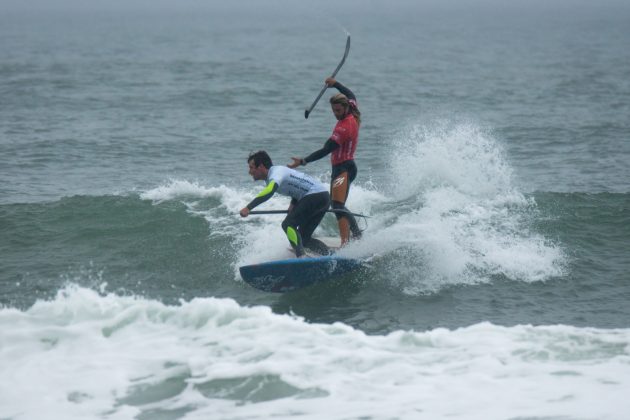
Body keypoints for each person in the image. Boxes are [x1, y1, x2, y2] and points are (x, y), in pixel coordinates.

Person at [289, 77, 362, 246]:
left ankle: (356, 236)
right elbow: (350, 94)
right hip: (341, 168)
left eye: (338, 110)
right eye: (333, 110)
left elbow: (326, 149)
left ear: (345, 107)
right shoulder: (352, 109)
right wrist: (335, 84)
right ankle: (347, 240)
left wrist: (303, 161)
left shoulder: (345, 127)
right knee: (337, 206)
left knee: (337, 205)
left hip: (344, 168)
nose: (335, 113)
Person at [240, 150, 331, 258]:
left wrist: (248, 207)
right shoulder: (276, 174)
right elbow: (299, 186)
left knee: (288, 224)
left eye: (251, 167)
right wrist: (293, 203)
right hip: (323, 197)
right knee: (304, 239)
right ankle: (332, 257)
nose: (250, 172)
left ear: (260, 166)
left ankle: (301, 257)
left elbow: (269, 191)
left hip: (315, 196)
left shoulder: (276, 173)